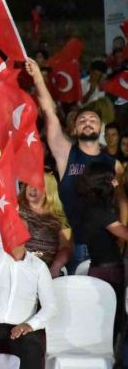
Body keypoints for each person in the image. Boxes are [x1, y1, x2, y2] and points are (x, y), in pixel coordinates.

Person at [27, 58, 125, 272]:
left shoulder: (113, 163)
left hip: (106, 244)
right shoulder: (65, 153)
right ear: (75, 129)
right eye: (82, 120)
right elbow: (49, 111)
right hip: (74, 244)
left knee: (107, 292)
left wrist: (121, 238)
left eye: (92, 120)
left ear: (101, 128)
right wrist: (38, 78)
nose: (87, 122)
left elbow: (122, 201)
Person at [0, 231, 57, 369]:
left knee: (33, 350)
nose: (14, 231)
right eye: (10, 228)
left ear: (27, 235)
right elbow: (1, 235)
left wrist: (30, 325)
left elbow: (50, 306)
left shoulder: (38, 266)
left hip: (21, 328)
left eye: (18, 229)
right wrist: (8, 221)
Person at [76, 162, 128, 335]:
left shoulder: (91, 205)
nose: (116, 182)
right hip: (108, 271)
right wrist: (121, 195)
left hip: (99, 268)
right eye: (112, 178)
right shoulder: (100, 211)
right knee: (110, 320)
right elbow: (124, 233)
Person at [18, 173, 73, 277]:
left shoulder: (60, 217)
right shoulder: (16, 209)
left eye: (38, 185)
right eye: (30, 184)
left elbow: (66, 247)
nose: (32, 189)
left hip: (48, 272)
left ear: (49, 190)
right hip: (20, 270)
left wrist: (55, 268)